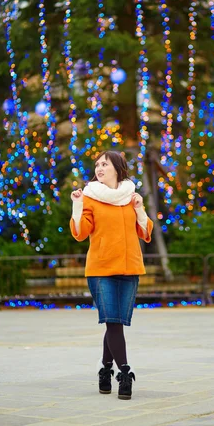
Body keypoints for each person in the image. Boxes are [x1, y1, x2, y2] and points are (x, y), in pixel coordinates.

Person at [70, 151, 153, 400]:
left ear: (117, 168)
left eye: (104, 164)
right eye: (97, 165)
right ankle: (125, 373)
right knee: (113, 322)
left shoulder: (131, 196)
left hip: (130, 268)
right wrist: (77, 205)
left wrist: (139, 209)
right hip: (101, 269)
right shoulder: (90, 197)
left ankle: (104, 369)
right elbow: (80, 232)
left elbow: (145, 231)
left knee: (116, 321)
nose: (99, 168)